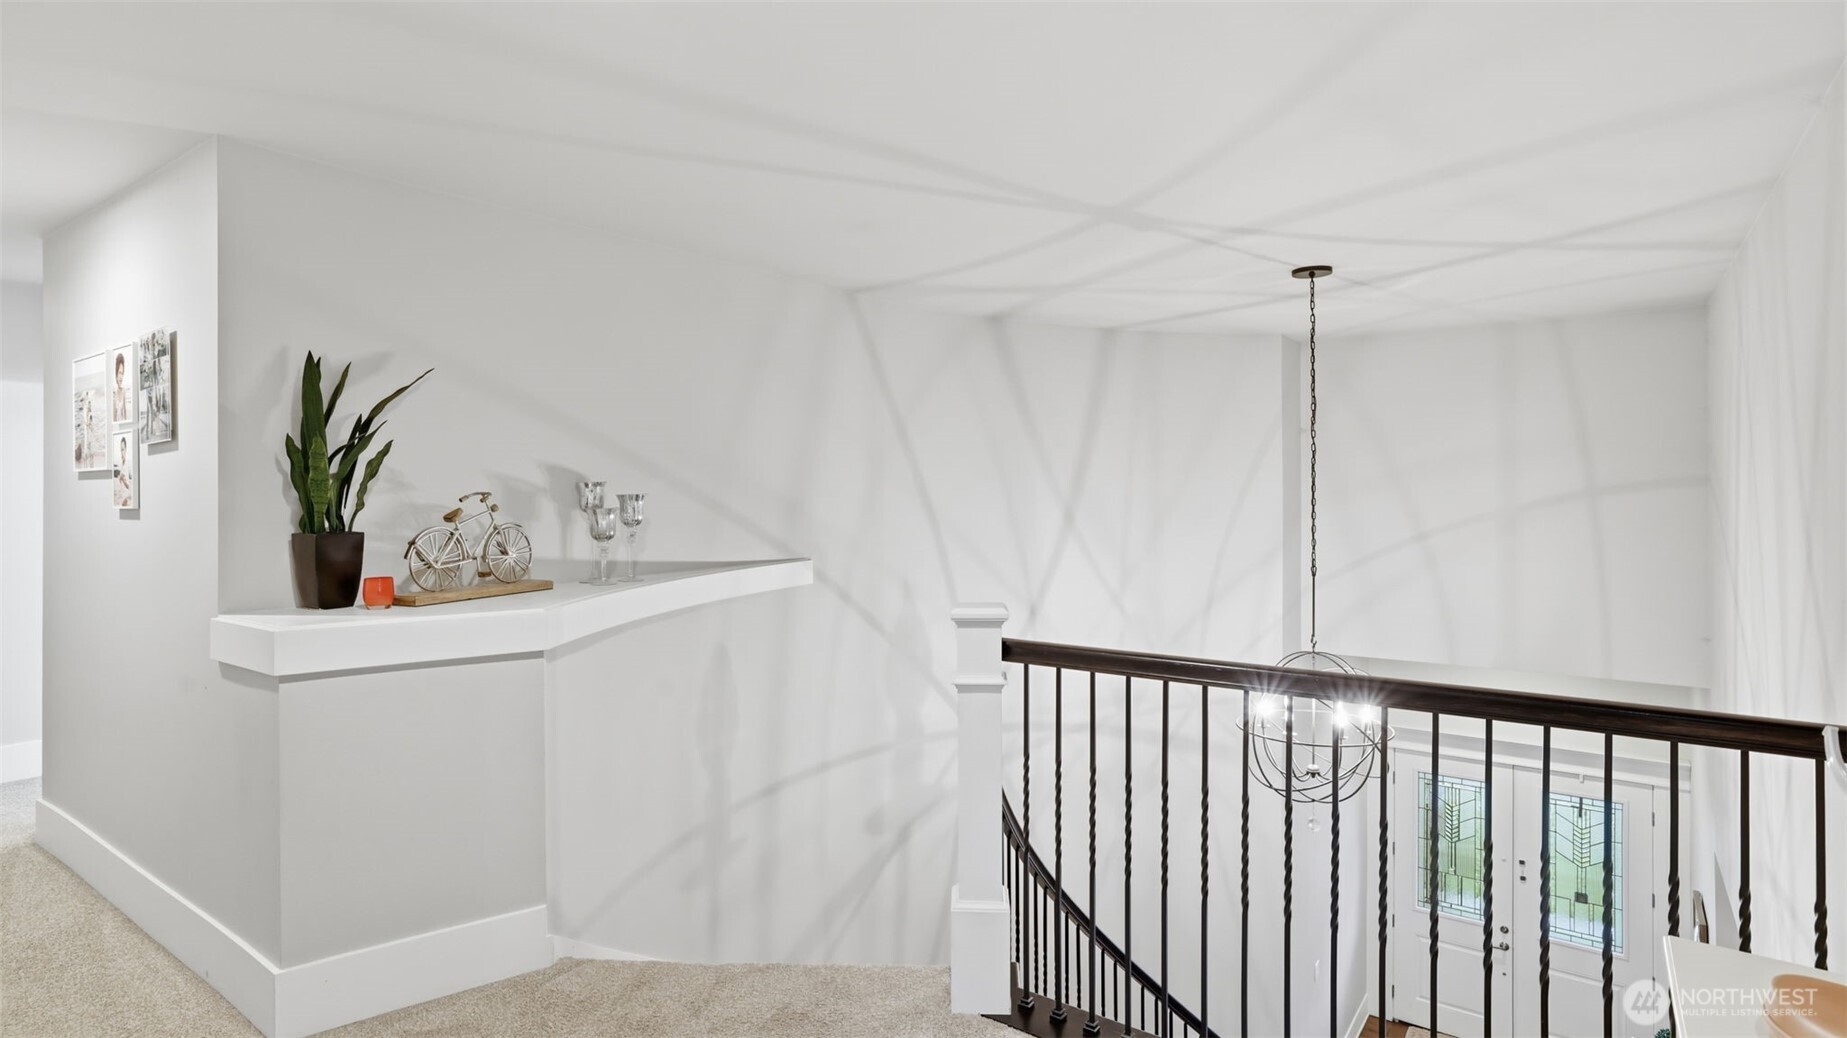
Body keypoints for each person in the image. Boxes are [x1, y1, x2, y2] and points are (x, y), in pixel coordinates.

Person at [113, 436, 134, 506]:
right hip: (122, 499)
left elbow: (132, 487)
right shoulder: (121, 464)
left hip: (127, 500)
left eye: (123, 449)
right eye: (120, 450)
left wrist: (124, 481)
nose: (121, 452)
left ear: (126, 449)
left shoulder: (129, 465)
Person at [112, 352, 129, 422]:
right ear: (116, 374)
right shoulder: (113, 393)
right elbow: (113, 418)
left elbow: (126, 414)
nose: (121, 377)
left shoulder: (124, 391)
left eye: (122, 373)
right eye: (119, 373)